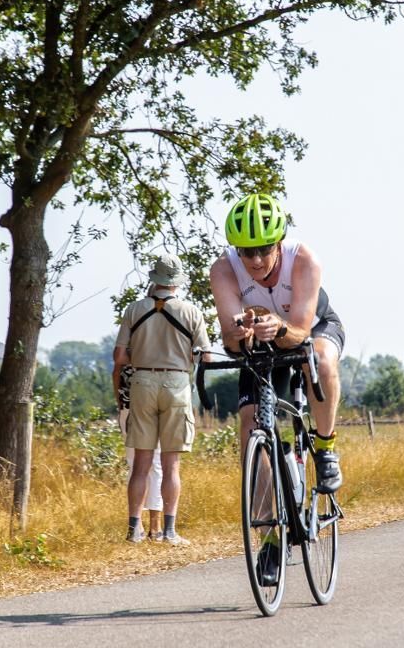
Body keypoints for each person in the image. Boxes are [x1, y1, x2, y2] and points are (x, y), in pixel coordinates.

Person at [210, 193, 345, 494]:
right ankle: (264, 519)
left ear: (279, 243)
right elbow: (231, 343)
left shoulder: (303, 260)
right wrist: (239, 334)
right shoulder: (223, 269)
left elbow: (300, 331)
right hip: (263, 339)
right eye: (247, 252)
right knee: (250, 424)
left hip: (313, 327)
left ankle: (325, 448)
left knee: (320, 360)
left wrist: (280, 326)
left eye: (264, 249)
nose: (256, 260)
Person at [113, 252, 210, 546]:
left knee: (141, 464)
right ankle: (168, 531)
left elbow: (119, 357)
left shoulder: (134, 309)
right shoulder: (191, 312)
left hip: (142, 381)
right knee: (171, 465)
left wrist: (142, 355)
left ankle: (134, 530)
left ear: (154, 279)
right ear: (177, 282)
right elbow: (206, 357)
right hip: (177, 383)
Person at [116, 363, 164, 540]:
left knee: (135, 463)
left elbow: (118, 366)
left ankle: (138, 527)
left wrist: (121, 403)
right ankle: (154, 527)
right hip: (158, 398)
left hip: (130, 401)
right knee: (156, 464)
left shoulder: (131, 344)